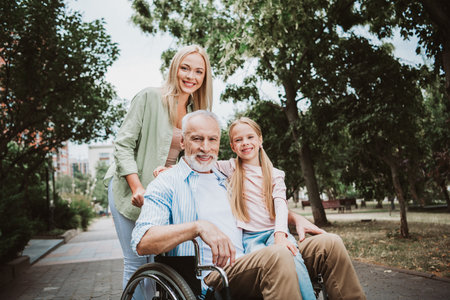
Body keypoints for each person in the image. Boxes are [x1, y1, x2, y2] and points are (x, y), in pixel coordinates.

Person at [133, 110, 366, 299]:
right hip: (214, 277)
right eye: (197, 138)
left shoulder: (224, 175)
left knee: (329, 244)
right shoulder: (168, 182)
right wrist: (198, 227)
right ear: (182, 141)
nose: (205, 147)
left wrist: (293, 218)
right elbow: (143, 241)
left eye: (212, 139)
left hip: (254, 256)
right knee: (278, 255)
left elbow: (259, 205)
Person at [103, 45, 213, 294]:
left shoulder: (196, 113)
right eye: (185, 68)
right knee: (136, 261)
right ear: (175, 69)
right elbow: (123, 144)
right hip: (130, 186)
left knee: (158, 262)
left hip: (163, 192)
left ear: (204, 78)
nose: (190, 76)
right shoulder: (149, 97)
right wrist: (136, 186)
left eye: (198, 71)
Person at [215, 117, 316, 300]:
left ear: (260, 140)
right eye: (238, 140)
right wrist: (168, 169)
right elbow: (201, 164)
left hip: (274, 232)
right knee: (264, 268)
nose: (245, 143)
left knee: (294, 259)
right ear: (232, 146)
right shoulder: (230, 168)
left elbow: (280, 205)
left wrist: (280, 235)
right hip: (249, 237)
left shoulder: (275, 174)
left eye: (250, 137)